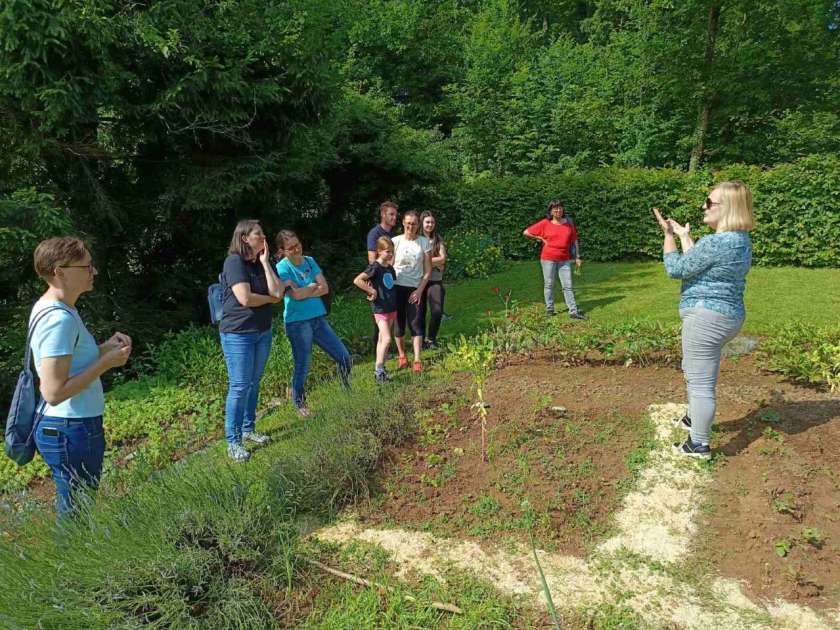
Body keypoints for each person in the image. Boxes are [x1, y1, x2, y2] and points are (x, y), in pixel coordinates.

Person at [29, 237, 132, 516]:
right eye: (86, 266)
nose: (93, 271)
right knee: (76, 517)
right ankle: (70, 560)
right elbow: (52, 391)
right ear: (59, 272)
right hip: (69, 429)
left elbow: (69, 363)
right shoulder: (58, 319)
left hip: (70, 427)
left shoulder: (62, 309)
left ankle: (76, 557)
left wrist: (103, 350)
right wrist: (106, 363)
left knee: (78, 511)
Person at [653, 181, 754, 459]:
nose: (703, 206)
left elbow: (677, 269)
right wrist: (685, 236)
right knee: (695, 369)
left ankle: (698, 444)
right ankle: (693, 418)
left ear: (727, 208)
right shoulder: (739, 241)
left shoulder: (717, 242)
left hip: (706, 317)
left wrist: (668, 236)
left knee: (700, 383)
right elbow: (699, 263)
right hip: (728, 315)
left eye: (709, 202)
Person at [219, 220, 287, 462]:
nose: (264, 235)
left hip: (262, 331)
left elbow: (278, 293)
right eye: (259, 233)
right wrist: (270, 299)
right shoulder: (234, 262)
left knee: (254, 381)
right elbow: (244, 298)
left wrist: (266, 263)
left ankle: (249, 430)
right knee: (239, 386)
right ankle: (233, 442)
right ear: (245, 238)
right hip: (238, 333)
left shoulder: (260, 263)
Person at [275, 230, 352, 416]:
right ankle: (300, 403)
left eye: (297, 244)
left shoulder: (309, 260)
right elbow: (295, 295)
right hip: (297, 322)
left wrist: (306, 290)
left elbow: (324, 288)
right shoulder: (282, 268)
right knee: (303, 364)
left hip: (318, 318)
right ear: (282, 251)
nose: (296, 249)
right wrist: (311, 287)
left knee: (344, 357)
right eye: (291, 247)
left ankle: (346, 390)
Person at [523, 200, 584, 319]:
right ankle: (550, 309)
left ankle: (573, 311)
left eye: (560, 208)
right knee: (549, 284)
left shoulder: (568, 223)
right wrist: (540, 238)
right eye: (555, 208)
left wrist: (577, 256)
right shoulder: (545, 223)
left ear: (563, 209)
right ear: (550, 211)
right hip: (548, 259)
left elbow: (574, 240)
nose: (558, 210)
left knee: (568, 285)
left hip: (564, 259)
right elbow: (526, 232)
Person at [392, 210, 432, 374]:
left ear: (418, 225)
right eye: (408, 223)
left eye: (414, 224)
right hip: (396, 288)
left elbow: (428, 270)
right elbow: (387, 265)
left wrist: (420, 290)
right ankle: (402, 356)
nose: (411, 226)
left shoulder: (424, 242)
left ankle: (417, 359)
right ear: (403, 223)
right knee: (398, 325)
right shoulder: (395, 241)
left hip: (415, 288)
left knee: (416, 323)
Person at [353, 236, 397, 384]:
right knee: (387, 338)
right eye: (387, 251)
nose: (390, 254)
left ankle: (382, 369)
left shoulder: (390, 268)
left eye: (392, 251)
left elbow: (390, 286)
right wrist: (371, 291)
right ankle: (378, 371)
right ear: (378, 251)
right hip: (380, 308)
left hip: (391, 307)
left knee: (381, 340)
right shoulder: (375, 267)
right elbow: (358, 280)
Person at [366, 201, 399, 353]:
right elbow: (372, 261)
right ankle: (378, 352)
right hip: (378, 281)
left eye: (395, 214)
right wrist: (372, 287)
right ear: (383, 214)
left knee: (390, 314)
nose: (394, 217)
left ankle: (387, 350)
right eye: (391, 214)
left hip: (391, 278)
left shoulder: (394, 234)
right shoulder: (374, 233)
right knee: (380, 318)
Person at [419, 210, 447, 350]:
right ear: (422, 223)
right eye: (427, 222)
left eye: (432, 222)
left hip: (435, 280)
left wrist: (425, 261)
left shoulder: (437, 239)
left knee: (437, 311)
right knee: (420, 313)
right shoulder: (416, 239)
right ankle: (421, 342)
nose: (430, 224)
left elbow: (443, 258)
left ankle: (431, 339)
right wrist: (435, 262)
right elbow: (415, 261)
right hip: (418, 282)